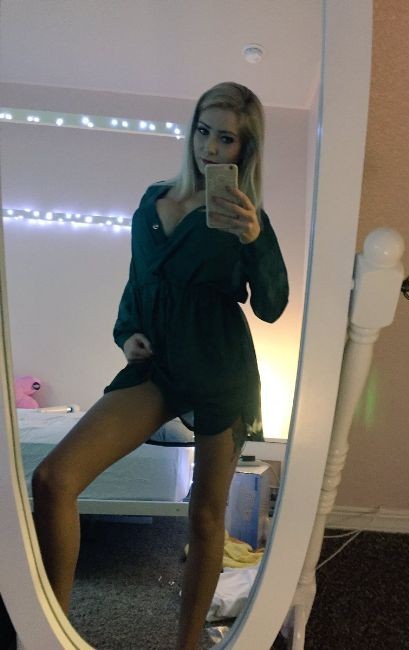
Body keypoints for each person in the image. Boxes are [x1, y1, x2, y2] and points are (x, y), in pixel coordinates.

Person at [32, 81, 289, 649]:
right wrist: (128, 336)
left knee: (206, 517)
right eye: (203, 131)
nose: (209, 148)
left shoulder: (245, 218)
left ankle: (187, 644)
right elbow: (137, 285)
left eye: (226, 139)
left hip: (220, 369)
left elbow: (272, 305)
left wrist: (254, 239)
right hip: (157, 369)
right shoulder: (153, 202)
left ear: (244, 150)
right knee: (52, 479)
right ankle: (51, 633)